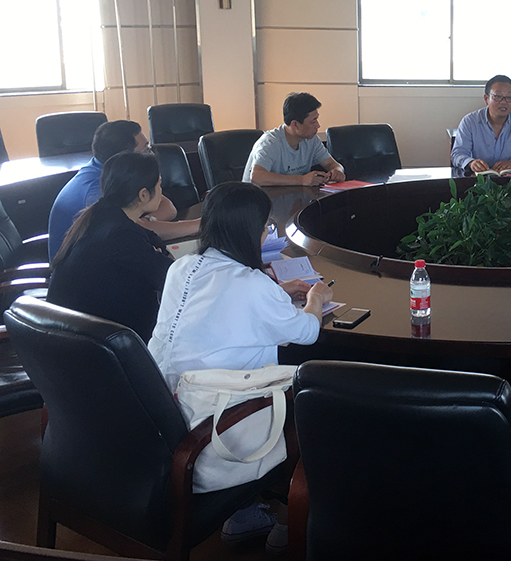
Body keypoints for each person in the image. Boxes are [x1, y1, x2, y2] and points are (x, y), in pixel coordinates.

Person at [148, 181, 333, 554]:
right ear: (251, 231)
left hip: (162, 416)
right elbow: (307, 331)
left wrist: (276, 292)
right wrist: (316, 297)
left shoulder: (181, 267)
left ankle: (243, 514)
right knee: (316, 405)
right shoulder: (252, 284)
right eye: (265, 227)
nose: (267, 232)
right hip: (213, 433)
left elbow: (223, 308)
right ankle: (287, 527)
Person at [47, 152, 174, 342]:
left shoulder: (100, 216)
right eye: (159, 185)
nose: (161, 191)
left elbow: (153, 240)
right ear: (143, 194)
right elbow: (173, 277)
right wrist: (161, 256)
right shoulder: (120, 234)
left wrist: (158, 252)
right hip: (94, 344)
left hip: (74, 335)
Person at [47, 119, 199, 260]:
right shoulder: (97, 190)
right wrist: (199, 225)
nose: (151, 154)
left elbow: (168, 207)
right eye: (145, 150)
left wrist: (145, 221)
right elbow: (131, 232)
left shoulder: (118, 174)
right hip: (87, 272)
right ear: (124, 157)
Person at [243, 92, 346, 186]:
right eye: (313, 121)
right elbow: (256, 177)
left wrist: (337, 171)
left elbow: (332, 164)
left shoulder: (312, 139)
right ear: (295, 124)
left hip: (290, 196)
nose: (318, 125)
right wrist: (301, 180)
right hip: (259, 198)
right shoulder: (270, 143)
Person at [451, 74, 511, 173]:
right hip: (479, 180)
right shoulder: (470, 122)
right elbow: (457, 154)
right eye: (497, 97)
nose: (503, 102)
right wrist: (471, 163)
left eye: (509, 97)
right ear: (486, 99)